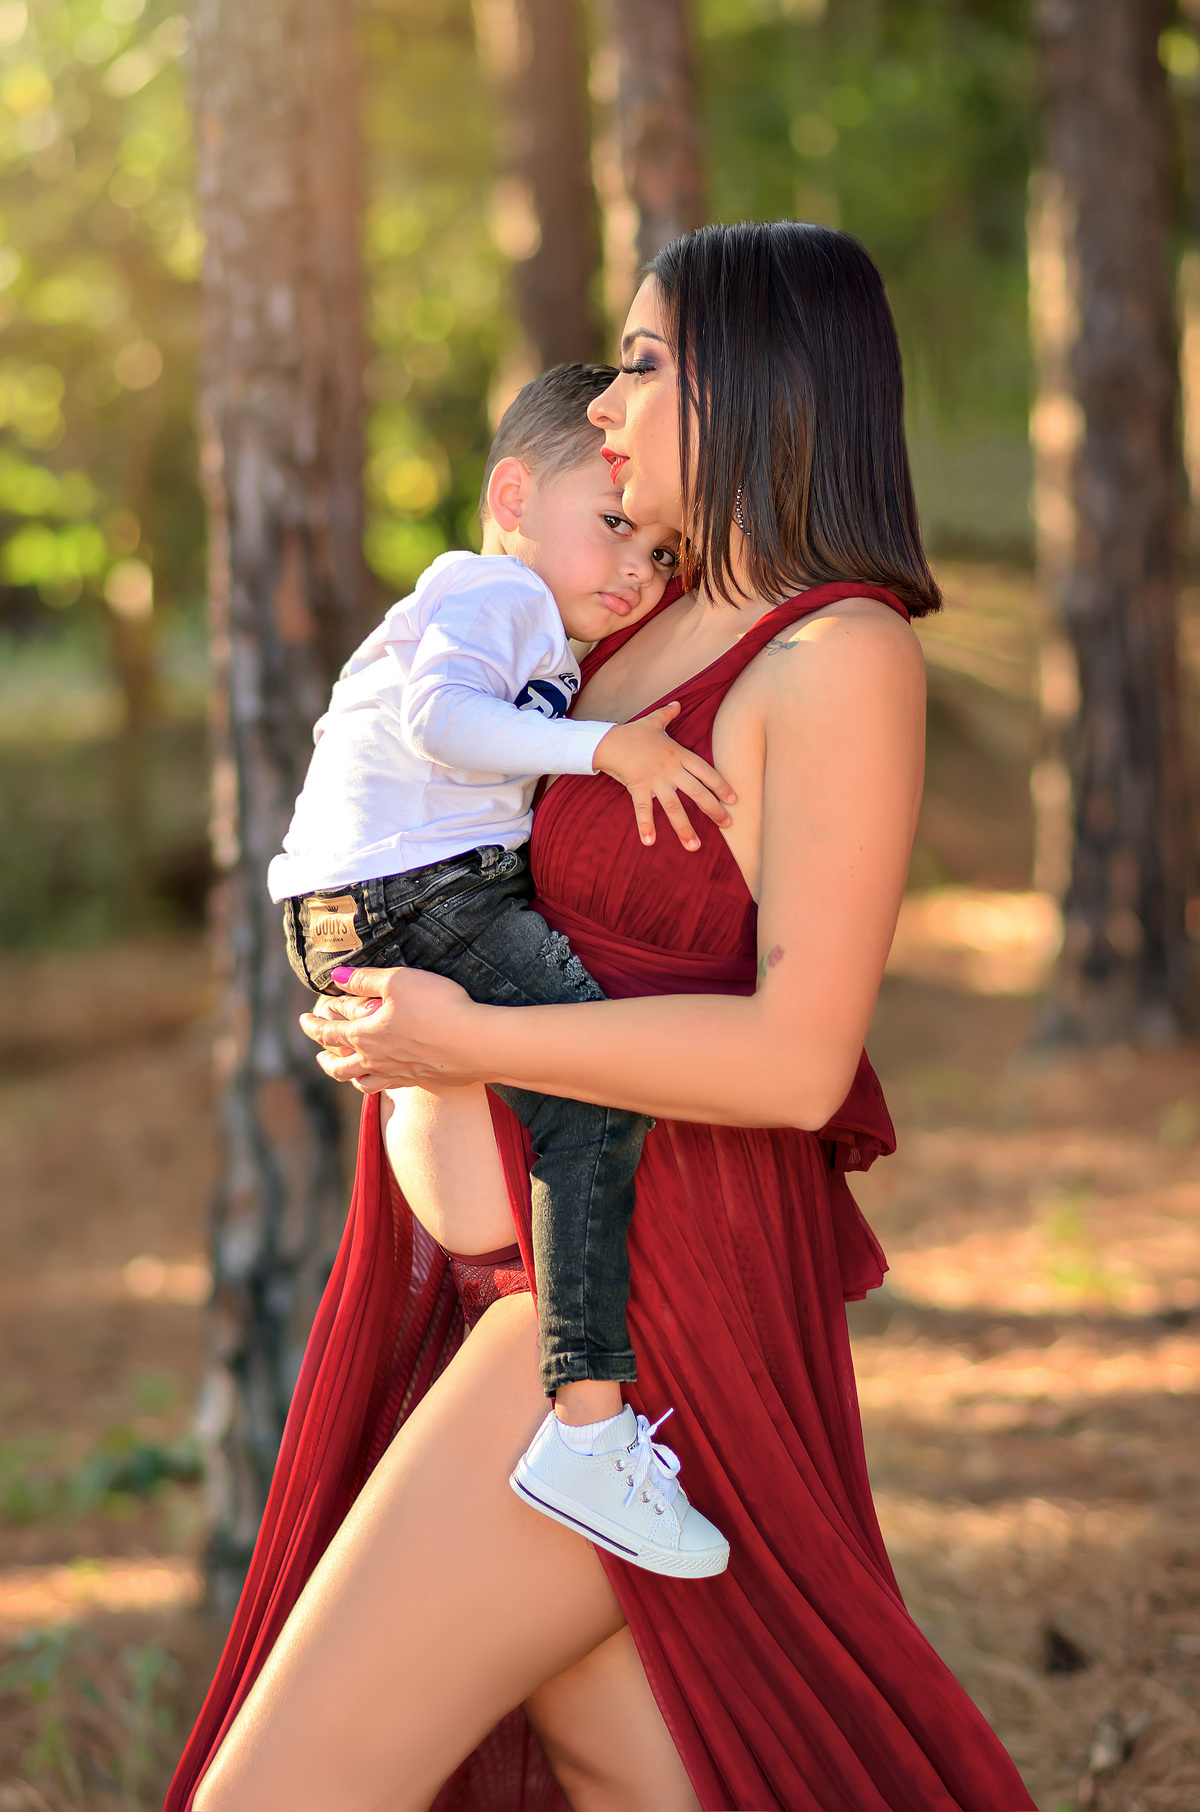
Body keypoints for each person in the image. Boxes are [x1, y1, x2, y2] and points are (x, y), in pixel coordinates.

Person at [170, 221, 1036, 1812]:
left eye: (642, 365)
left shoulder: (835, 655)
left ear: (762, 383)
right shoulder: (620, 629)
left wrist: (468, 1045)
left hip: (637, 1312)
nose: (607, 406)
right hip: (513, 1281)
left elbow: (797, 1061)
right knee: (634, 1772)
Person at [269, 361, 731, 1577]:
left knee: (560, 1090)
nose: (638, 570)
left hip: (378, 896)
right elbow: (443, 724)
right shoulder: (493, 590)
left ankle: (540, 1396)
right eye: (615, 525)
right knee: (595, 1087)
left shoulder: (528, 615)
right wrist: (606, 750)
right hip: (409, 890)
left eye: (661, 555)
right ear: (514, 497)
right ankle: (587, 1425)